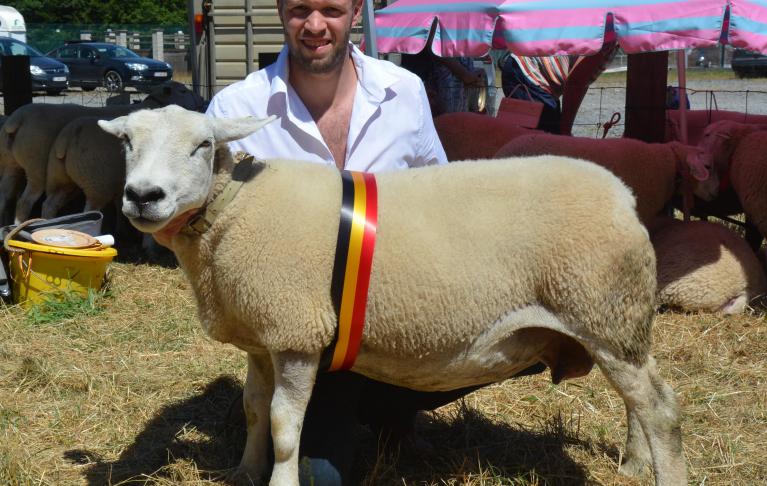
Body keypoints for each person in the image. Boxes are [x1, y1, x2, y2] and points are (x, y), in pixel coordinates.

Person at [204, 1, 550, 484]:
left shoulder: (403, 92)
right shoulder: (235, 111)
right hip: (311, 341)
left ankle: (391, 408)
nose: (316, 26)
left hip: (398, 315)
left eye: (332, 9)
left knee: (525, 336)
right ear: (281, 10)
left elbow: (441, 194)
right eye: (300, 9)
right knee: (320, 480)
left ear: (356, 10)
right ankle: (332, 410)